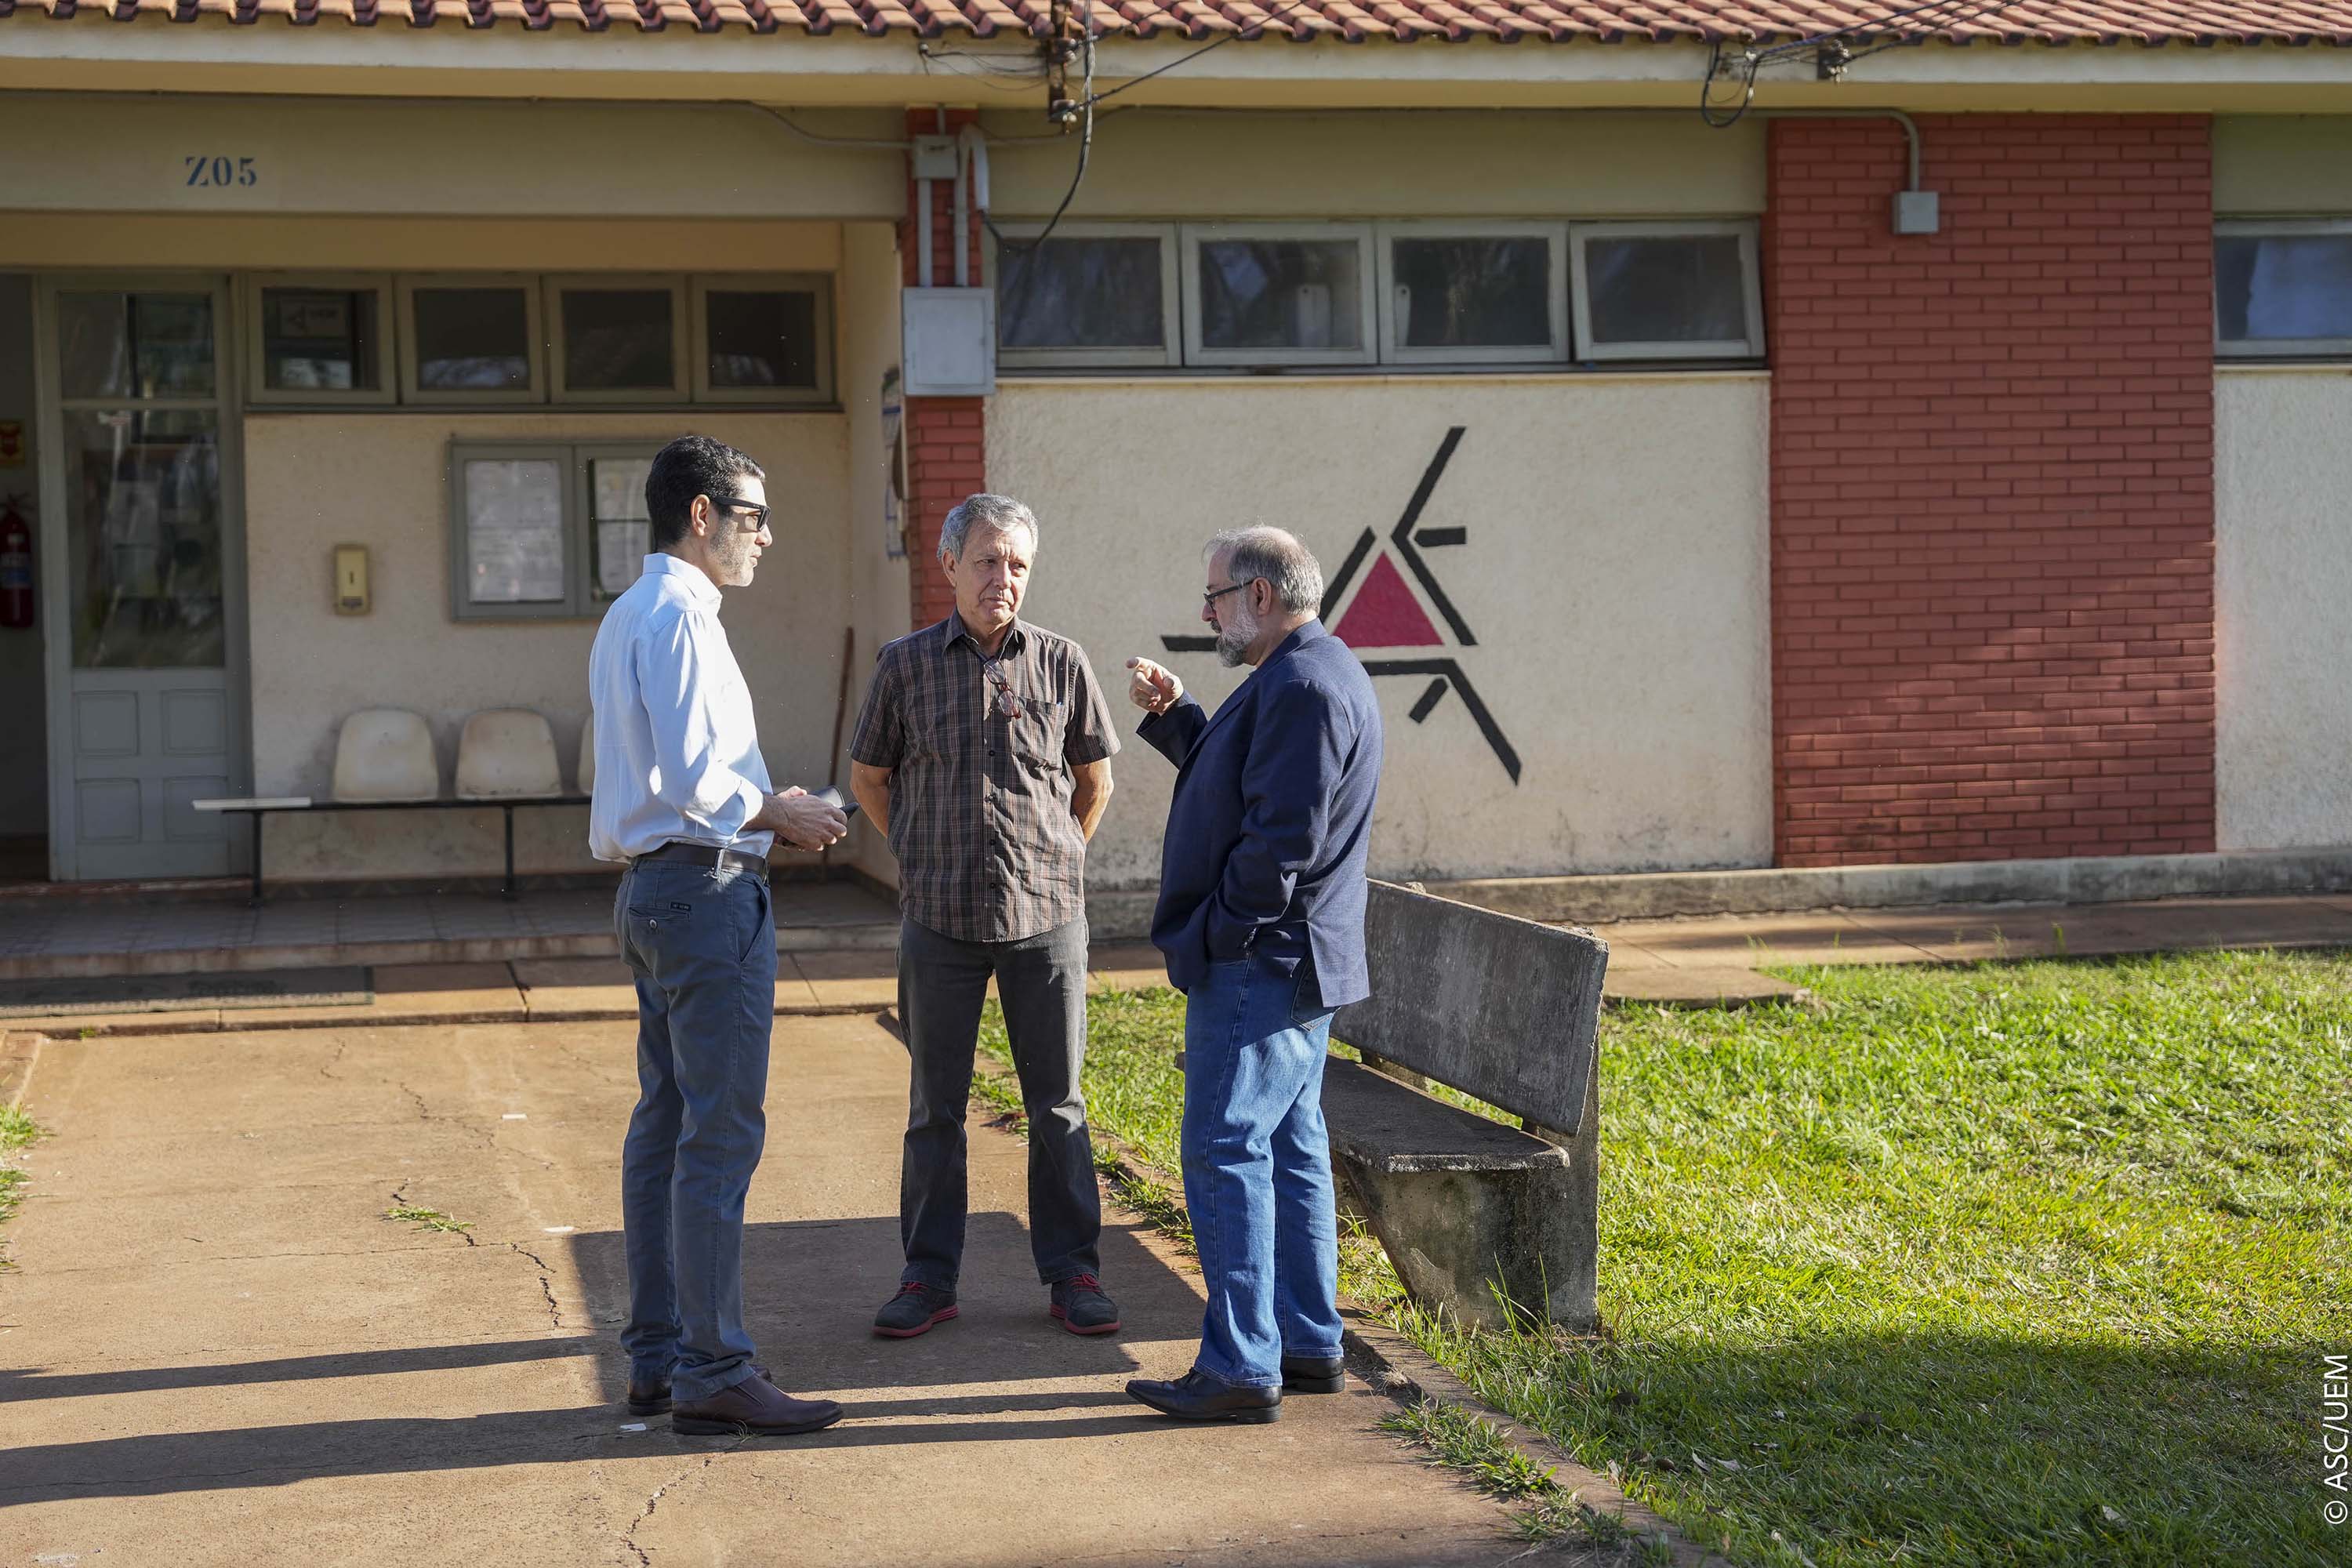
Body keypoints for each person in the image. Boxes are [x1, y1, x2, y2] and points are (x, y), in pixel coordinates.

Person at [588, 434, 849, 1437]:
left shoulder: (630, 611)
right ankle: (713, 1365)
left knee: (665, 1125)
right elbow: (703, 783)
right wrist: (784, 808)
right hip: (704, 891)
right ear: (700, 515)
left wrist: (771, 809)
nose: (765, 537)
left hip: (655, 893)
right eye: (752, 516)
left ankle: (660, 1356)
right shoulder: (685, 616)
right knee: (718, 1135)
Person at [1118, 526, 1383, 1424]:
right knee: (1290, 1146)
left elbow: (1279, 838)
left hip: (1262, 963)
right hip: (1297, 960)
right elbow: (1251, 783)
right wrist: (1183, 716)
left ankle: (1239, 1363)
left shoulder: (1303, 683)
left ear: (1261, 595)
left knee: (1226, 1147)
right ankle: (1307, 1341)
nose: (1207, 612)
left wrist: (1221, 933)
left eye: (1217, 596)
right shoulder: (1309, 669)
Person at [848, 494, 1124, 1340]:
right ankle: (928, 1277)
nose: (1001, 577)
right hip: (939, 920)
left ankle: (1073, 1271)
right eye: (986, 560)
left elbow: (1095, 783)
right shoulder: (903, 665)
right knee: (936, 1105)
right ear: (950, 565)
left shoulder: (1064, 662)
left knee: (1059, 1106)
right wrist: (925, 854)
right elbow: (870, 780)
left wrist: (1057, 859)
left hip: (1046, 920)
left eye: (1016, 564)